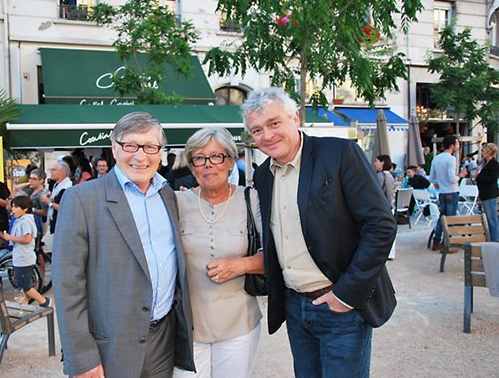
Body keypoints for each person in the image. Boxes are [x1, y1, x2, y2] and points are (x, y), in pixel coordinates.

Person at [242, 87, 397, 378]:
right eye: (257, 130)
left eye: (274, 123)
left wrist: (346, 294)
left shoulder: (339, 153)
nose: (267, 135)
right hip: (296, 307)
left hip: (341, 305)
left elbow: (381, 226)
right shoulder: (263, 175)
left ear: (295, 118)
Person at [52, 112, 195, 378]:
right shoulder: (80, 199)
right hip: (110, 346)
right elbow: (67, 287)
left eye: (150, 147)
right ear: (114, 147)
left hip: (164, 341)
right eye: (131, 145)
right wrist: (82, 357)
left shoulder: (167, 194)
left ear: (161, 152)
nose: (140, 156)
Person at [173, 127, 264, 378]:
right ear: (191, 166)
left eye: (216, 157)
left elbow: (277, 257)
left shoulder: (252, 199)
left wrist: (239, 266)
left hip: (239, 325)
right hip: (189, 328)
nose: (208, 165)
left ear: (231, 162)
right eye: (199, 158)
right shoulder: (177, 203)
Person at [0, 195, 51, 307]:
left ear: (25, 208)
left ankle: (43, 301)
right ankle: (24, 306)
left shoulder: (26, 221)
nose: (13, 209)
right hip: (20, 258)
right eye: (12, 207)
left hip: (24, 259)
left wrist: (8, 237)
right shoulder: (20, 220)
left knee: (25, 287)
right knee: (23, 286)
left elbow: (27, 239)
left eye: (16, 207)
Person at [429, 135, 468, 254]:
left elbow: (431, 178)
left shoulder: (436, 158)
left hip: (442, 192)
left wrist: (438, 184)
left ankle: (436, 241)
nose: (457, 146)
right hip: (451, 190)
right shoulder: (451, 159)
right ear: (452, 146)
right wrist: (461, 175)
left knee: (442, 217)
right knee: (450, 219)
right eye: (457, 144)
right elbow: (452, 179)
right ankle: (446, 244)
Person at [473, 143, 499, 241]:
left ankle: (494, 239)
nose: (482, 153)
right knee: (489, 218)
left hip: (490, 194)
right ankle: (492, 238)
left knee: (492, 218)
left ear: (489, 152)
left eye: (483, 151)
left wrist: (480, 176)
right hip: (485, 194)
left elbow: (493, 178)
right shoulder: (486, 163)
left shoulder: (494, 164)